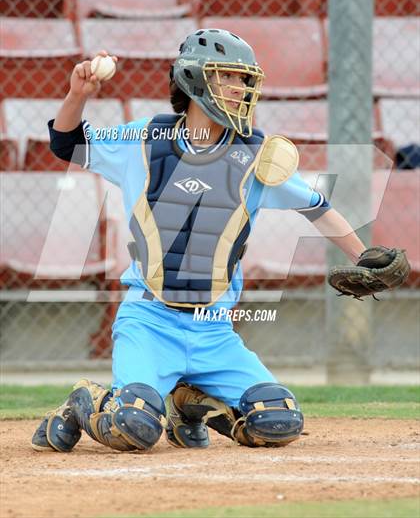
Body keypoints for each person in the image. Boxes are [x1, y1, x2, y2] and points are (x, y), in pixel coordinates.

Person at [31, 29, 366, 453]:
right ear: (193, 80)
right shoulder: (146, 140)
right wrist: (78, 94)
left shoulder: (257, 156)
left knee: (278, 419)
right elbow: (68, 144)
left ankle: (191, 407)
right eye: (229, 77)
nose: (242, 88)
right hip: (150, 321)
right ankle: (86, 400)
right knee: (132, 426)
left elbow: (316, 206)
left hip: (215, 330)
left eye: (245, 80)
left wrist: (365, 256)